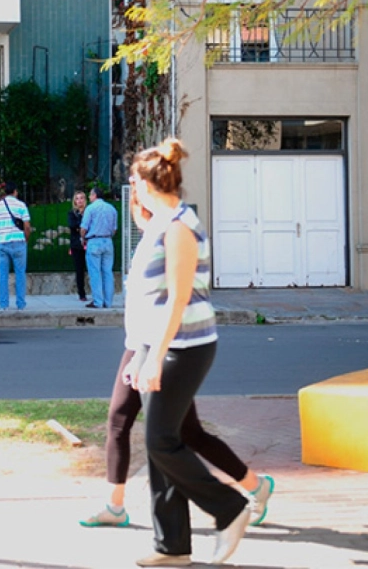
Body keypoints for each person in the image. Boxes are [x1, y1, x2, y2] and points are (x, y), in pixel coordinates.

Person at [80, 188, 274, 534]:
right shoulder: (150, 237)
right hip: (140, 345)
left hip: (161, 347)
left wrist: (148, 355)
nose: (136, 206)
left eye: (138, 197)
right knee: (120, 421)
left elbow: (172, 298)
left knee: (181, 434)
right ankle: (115, 505)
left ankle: (247, 491)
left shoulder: (173, 232)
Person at [125, 138, 252, 566]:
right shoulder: (160, 223)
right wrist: (141, 352)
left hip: (185, 346)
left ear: (147, 183)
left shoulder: (179, 227)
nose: (131, 188)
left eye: (134, 182)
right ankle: (172, 546)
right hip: (160, 343)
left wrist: (155, 358)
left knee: (161, 441)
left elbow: (178, 299)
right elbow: (149, 297)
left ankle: (230, 508)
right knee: (165, 442)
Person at [0, 180, 31, 311]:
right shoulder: (21, 205)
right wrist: (26, 239)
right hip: (18, 242)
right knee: (20, 274)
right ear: (15, 192)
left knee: (3, 274)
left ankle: (3, 305)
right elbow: (27, 226)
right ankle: (20, 304)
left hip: (2, 242)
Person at [80, 186, 117, 309]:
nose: (89, 197)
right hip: (108, 241)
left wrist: (83, 238)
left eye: (90, 194)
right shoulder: (111, 208)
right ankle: (108, 301)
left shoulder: (90, 208)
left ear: (95, 195)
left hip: (94, 240)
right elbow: (114, 229)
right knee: (107, 272)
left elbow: (84, 228)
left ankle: (98, 301)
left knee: (95, 272)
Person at [67, 190, 88, 301]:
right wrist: (82, 225)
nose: (79, 201)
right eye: (77, 198)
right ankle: (81, 293)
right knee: (79, 269)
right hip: (77, 244)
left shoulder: (89, 211)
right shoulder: (72, 213)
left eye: (81, 198)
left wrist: (80, 227)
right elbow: (72, 225)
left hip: (89, 243)